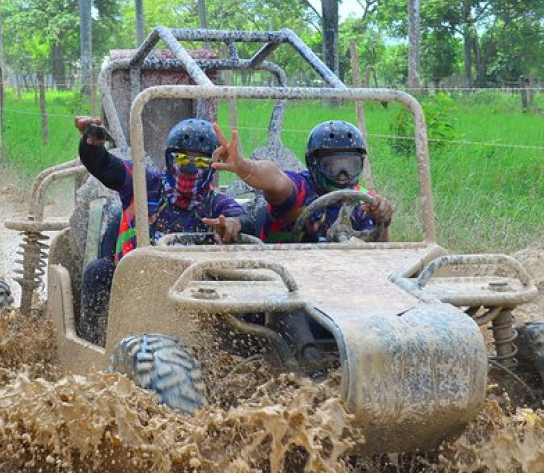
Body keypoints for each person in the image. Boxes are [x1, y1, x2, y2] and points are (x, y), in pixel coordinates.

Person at [76, 116, 253, 343]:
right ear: (169, 159)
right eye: (181, 158)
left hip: (192, 298)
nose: (189, 168)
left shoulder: (215, 204)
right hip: (132, 289)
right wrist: (91, 143)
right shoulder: (143, 184)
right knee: (98, 270)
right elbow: (105, 166)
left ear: (212, 165)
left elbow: (245, 219)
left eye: (199, 162)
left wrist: (233, 224)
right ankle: (94, 346)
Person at [211, 119, 393, 243]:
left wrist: (382, 221)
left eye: (350, 165)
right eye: (332, 166)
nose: (342, 175)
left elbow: (379, 257)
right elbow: (275, 179)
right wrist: (244, 166)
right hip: (285, 281)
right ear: (313, 163)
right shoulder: (300, 188)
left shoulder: (363, 200)